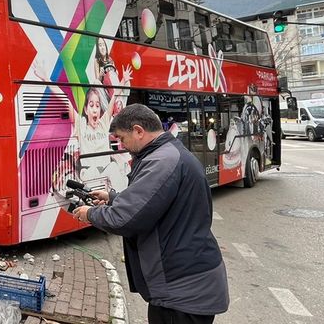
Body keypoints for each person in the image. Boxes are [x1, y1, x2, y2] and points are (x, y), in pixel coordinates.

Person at [72, 104, 229, 324]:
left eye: (122, 138)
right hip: (188, 282)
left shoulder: (162, 161)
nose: (122, 146)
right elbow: (156, 201)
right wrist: (113, 198)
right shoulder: (168, 153)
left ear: (138, 131)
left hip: (181, 291)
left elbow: (124, 219)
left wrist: (89, 213)